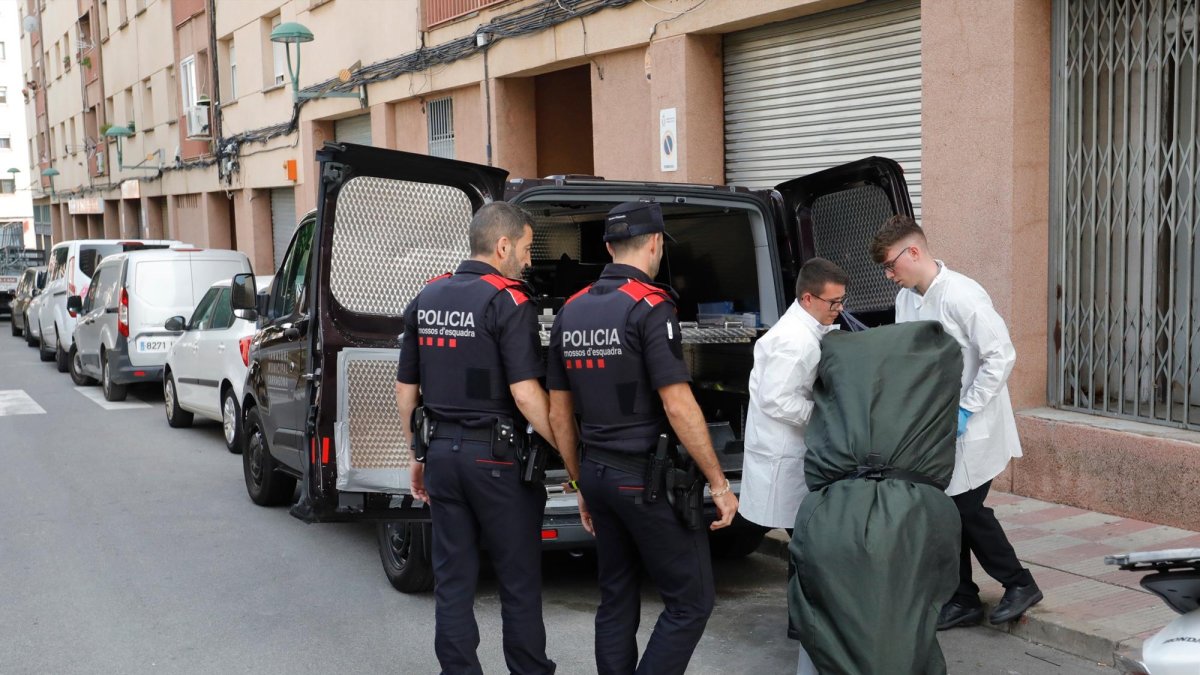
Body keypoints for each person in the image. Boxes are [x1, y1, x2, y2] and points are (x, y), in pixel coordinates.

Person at [546, 201, 738, 675]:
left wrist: (579, 483)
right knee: (691, 601)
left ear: (609, 247)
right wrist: (718, 481)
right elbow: (677, 404)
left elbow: (558, 412)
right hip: (646, 481)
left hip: (597, 472)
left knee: (616, 597)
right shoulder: (652, 306)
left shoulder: (569, 311)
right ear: (655, 243)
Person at [395, 202, 557, 675]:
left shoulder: (426, 297)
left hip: (442, 455)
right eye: (526, 249)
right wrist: (571, 451)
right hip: (499, 461)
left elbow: (406, 391)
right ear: (503, 245)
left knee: (453, 579)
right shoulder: (510, 301)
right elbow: (526, 394)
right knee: (519, 579)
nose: (529, 261)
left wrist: (416, 453)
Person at [870, 214, 1042, 629]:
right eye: (885, 270)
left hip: (974, 424)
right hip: (932, 424)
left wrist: (968, 408)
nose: (889, 275)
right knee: (945, 510)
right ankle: (962, 597)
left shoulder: (963, 295)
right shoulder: (906, 299)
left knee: (968, 508)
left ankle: (1019, 583)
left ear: (914, 251)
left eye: (892, 265)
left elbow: (1001, 356)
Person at [742, 256, 847, 675]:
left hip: (790, 455)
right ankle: (806, 625)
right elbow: (777, 399)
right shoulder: (794, 340)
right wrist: (827, 414)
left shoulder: (808, 326)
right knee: (807, 545)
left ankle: (801, 622)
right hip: (784, 458)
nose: (838, 309)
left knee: (805, 545)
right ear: (807, 297)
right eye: (833, 303)